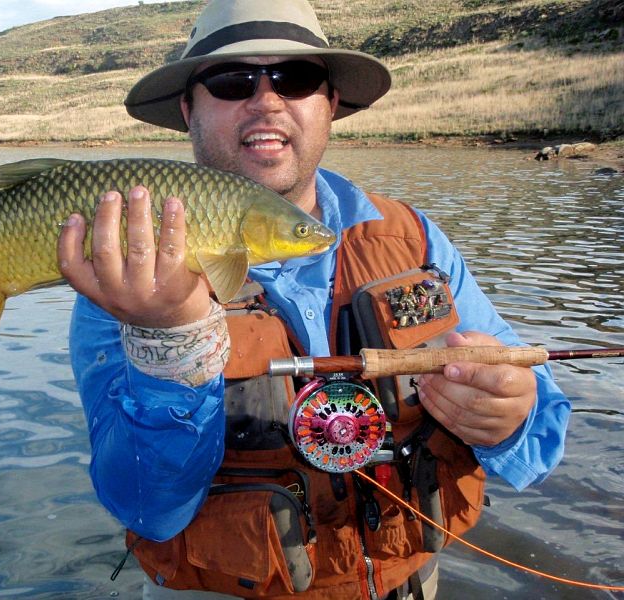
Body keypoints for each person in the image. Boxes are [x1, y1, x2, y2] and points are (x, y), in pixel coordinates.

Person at [57, 1, 570, 598]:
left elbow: (541, 426)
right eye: (232, 81)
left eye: (296, 77)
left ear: (329, 104)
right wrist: (170, 344)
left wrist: (509, 414)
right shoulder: (123, 280)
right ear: (187, 109)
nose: (266, 101)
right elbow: (146, 507)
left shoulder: (414, 237)